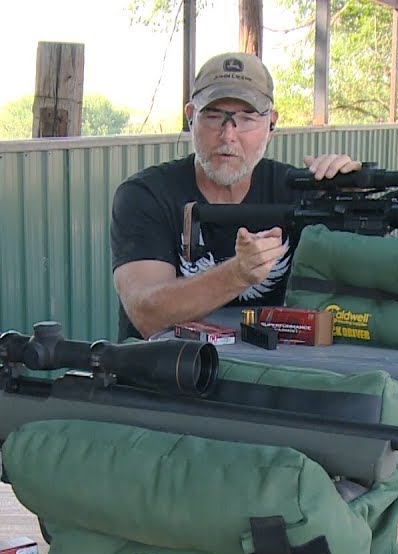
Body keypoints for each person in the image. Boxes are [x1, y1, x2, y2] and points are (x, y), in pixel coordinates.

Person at [111, 51, 362, 340]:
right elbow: (147, 315)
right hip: (169, 366)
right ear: (191, 118)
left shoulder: (299, 191)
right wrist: (238, 274)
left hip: (269, 366)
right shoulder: (147, 195)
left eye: (247, 118)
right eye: (214, 116)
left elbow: (360, 292)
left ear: (271, 125)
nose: (228, 134)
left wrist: (350, 202)